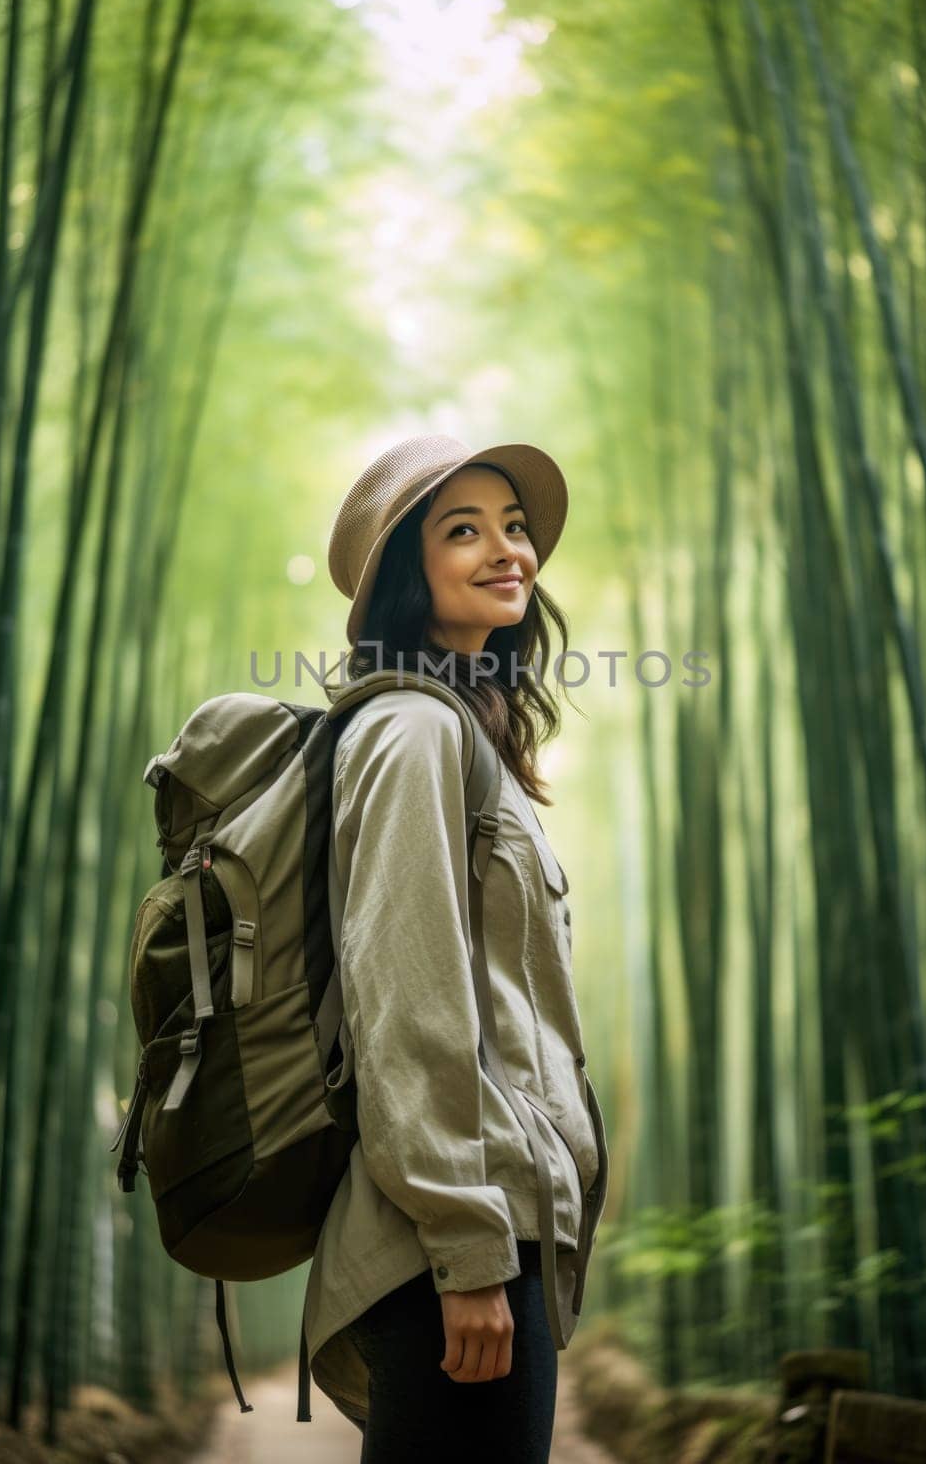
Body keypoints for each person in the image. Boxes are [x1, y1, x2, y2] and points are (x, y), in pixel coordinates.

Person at [300, 434, 609, 1461]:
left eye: (513, 526)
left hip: (490, 1224)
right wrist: (470, 1249)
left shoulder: (471, 738)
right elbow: (405, 998)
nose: (506, 549)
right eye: (462, 529)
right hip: (457, 1238)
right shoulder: (412, 732)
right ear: (404, 573)